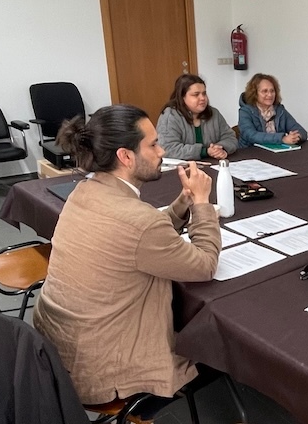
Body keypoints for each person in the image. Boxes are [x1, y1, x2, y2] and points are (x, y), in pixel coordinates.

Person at [33, 105, 221, 406]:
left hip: (61, 350)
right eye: (153, 145)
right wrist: (201, 203)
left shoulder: (84, 190)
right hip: (106, 370)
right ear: (125, 156)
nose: (162, 152)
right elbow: (205, 265)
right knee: (219, 350)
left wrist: (182, 202)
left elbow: (138, 242)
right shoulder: (139, 221)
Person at [157, 73, 238, 160]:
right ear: (182, 97)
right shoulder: (170, 116)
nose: (202, 98)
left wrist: (220, 149)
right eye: (196, 95)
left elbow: (230, 137)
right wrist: (204, 151)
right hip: (181, 168)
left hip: (212, 164)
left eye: (204, 94)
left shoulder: (214, 113)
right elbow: (168, 148)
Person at [237, 73, 307, 148]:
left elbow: (301, 131)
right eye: (265, 91)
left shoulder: (280, 110)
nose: (270, 95)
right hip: (250, 152)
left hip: (276, 152)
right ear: (255, 93)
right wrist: (282, 139)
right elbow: (251, 136)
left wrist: (295, 137)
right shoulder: (245, 111)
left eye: (272, 91)